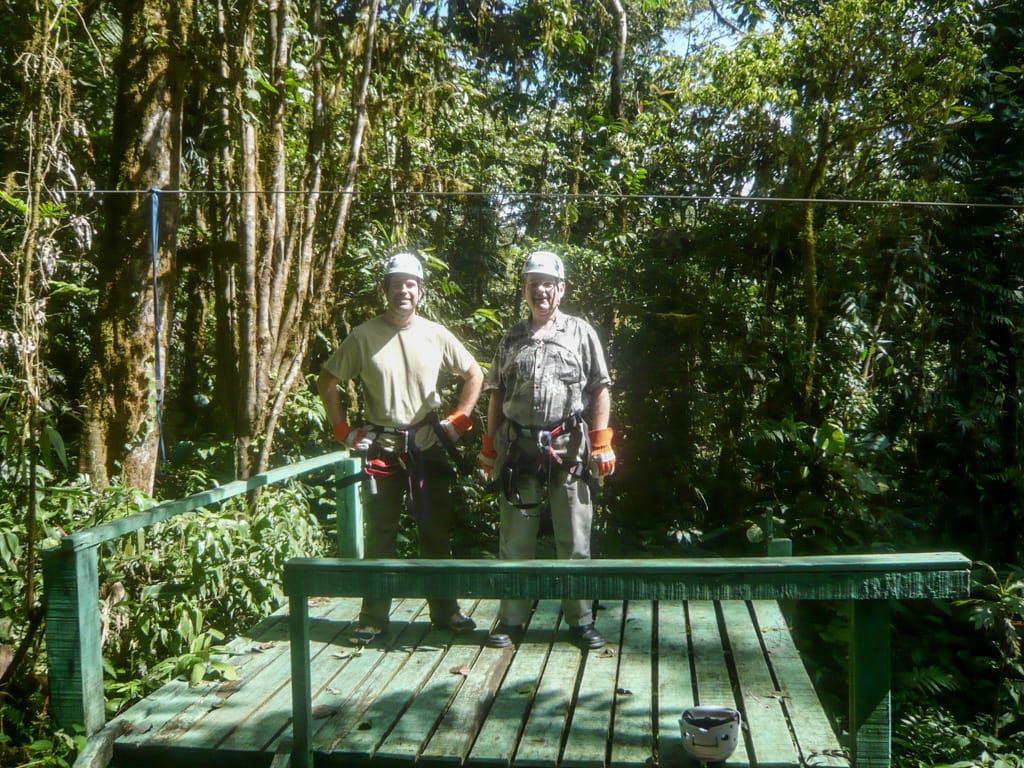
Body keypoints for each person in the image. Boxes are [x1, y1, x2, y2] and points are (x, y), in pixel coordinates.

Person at [317, 251, 484, 645]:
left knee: (436, 532)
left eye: (410, 284)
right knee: (381, 533)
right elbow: (327, 381)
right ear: (386, 290)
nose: (403, 291)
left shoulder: (435, 334)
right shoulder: (364, 336)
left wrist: (459, 419)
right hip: (384, 448)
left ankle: (445, 611)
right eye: (396, 284)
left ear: (421, 291)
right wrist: (343, 431)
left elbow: (474, 373)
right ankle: (373, 617)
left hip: (428, 445)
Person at [478, 249, 617, 650]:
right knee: (515, 541)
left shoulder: (581, 332)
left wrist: (602, 441)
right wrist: (489, 449)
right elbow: (494, 395)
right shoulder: (511, 338)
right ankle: (512, 619)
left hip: (568, 447)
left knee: (574, 539)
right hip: (519, 447)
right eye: (533, 284)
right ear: (524, 290)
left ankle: (580, 620)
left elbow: (599, 388)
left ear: (561, 289)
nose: (541, 291)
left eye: (548, 284)